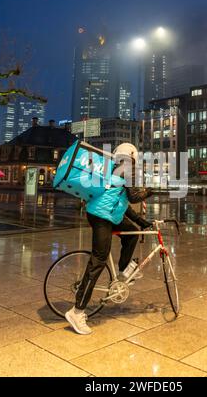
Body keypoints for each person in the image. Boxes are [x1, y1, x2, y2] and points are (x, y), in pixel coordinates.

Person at [65, 143, 153, 335]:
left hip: (107, 214)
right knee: (98, 260)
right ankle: (77, 311)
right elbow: (134, 197)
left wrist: (141, 222)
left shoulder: (113, 167)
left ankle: (122, 272)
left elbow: (122, 201)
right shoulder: (126, 167)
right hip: (102, 217)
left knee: (133, 234)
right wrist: (150, 190)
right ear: (132, 155)